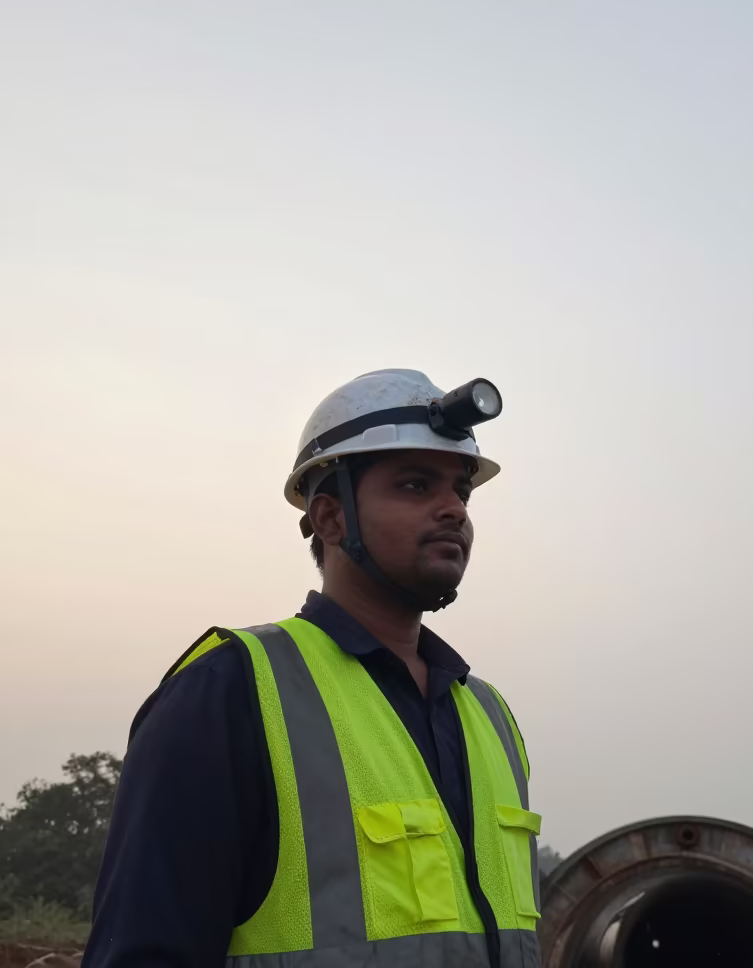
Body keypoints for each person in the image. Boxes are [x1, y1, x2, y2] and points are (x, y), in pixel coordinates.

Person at [84, 369, 541, 968]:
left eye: (462, 491)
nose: (453, 509)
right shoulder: (231, 689)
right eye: (414, 485)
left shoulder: (490, 715)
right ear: (330, 519)